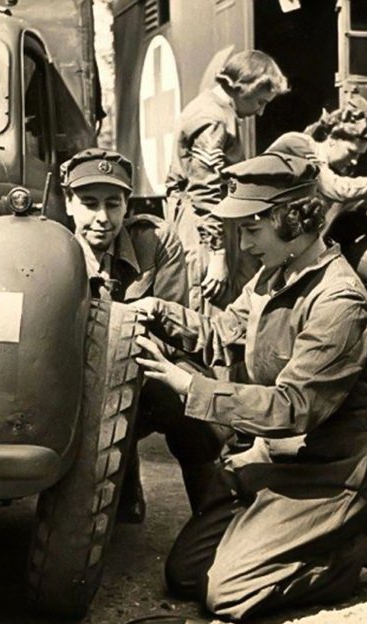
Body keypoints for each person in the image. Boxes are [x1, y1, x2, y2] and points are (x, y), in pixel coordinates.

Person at [133, 152, 367, 621]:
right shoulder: (273, 276)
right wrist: (159, 312)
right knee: (186, 575)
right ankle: (280, 536)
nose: (244, 245)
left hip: (331, 472)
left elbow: (294, 408)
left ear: (292, 220)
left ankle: (362, 548)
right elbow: (223, 332)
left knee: (228, 595)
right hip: (278, 460)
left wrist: (191, 387)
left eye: (252, 229)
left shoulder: (339, 300)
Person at [60, 148, 230, 520]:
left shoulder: (153, 239)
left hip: (142, 365)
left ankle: (215, 526)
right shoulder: (54, 249)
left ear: (126, 205)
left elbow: (171, 329)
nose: (102, 218)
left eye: (113, 204)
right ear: (68, 203)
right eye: (89, 203)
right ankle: (120, 490)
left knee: (193, 409)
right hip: (74, 379)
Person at [166, 49, 289, 313]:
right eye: (259, 102)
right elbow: (205, 191)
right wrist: (218, 255)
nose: (261, 111)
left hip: (215, 223)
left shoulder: (216, 110)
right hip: (203, 227)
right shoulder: (212, 119)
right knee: (208, 303)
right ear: (240, 88)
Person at [267, 97, 367, 212]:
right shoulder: (298, 143)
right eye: (351, 152)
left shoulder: (329, 169)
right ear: (332, 139)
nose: (355, 161)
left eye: (359, 156)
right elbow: (332, 188)